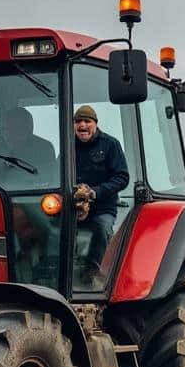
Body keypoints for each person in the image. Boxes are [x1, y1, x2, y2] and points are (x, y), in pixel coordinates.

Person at [73, 104, 129, 286]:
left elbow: (122, 177)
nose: (82, 125)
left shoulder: (110, 144)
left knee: (102, 227)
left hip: (102, 207)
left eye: (87, 121)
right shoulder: (68, 146)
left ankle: (92, 271)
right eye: (78, 121)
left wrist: (94, 193)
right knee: (49, 228)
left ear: (95, 124)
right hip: (73, 207)